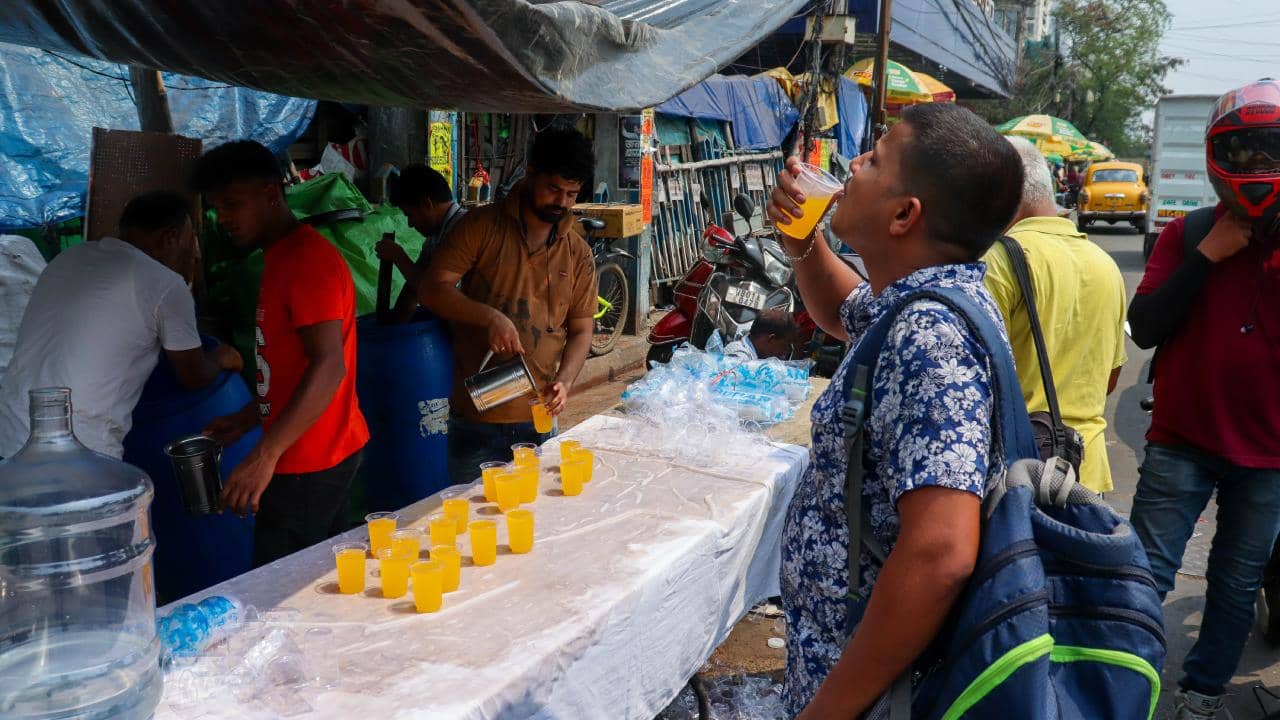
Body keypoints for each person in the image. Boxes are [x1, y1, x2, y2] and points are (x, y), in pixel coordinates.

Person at [765, 103, 1024, 717]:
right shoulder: (924, 298)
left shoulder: (931, 333)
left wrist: (828, 711)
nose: (853, 164)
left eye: (875, 159)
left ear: (906, 214)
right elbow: (841, 312)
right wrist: (801, 243)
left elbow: (941, 553)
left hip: (876, 695)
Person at [1127, 79, 1280, 720]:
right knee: (1140, 578)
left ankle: (1202, 696)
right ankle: (1116, 685)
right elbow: (1145, 326)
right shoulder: (1189, 234)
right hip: (1182, 441)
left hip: (1268, 456)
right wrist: (1208, 259)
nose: (1256, 169)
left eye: (1269, 153)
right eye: (1241, 153)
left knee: (1237, 586)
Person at [193, 140, 369, 567]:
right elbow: (295, 369)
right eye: (217, 208)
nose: (224, 219)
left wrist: (263, 455)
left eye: (233, 204)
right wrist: (248, 418)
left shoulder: (306, 261)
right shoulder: (279, 258)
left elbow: (329, 368)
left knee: (281, 592)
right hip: (306, 452)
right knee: (316, 580)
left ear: (272, 194)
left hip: (312, 460)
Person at [0, 191, 240, 459]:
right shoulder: (164, 283)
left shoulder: (70, 257)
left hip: (9, 431)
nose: (189, 256)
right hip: (78, 444)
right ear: (170, 238)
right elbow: (194, 376)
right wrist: (221, 358)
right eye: (188, 245)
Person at [419, 126, 597, 484]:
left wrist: (564, 380)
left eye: (571, 194)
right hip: (475, 423)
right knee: (472, 529)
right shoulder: (481, 226)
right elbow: (432, 289)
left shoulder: (578, 253)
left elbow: (581, 330)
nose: (561, 203)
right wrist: (489, 317)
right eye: (553, 189)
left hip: (539, 423)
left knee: (535, 525)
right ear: (530, 175)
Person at [982, 136, 1127, 493]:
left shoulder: (997, 262)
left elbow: (973, 375)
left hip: (1019, 474)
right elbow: (1109, 377)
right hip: (1085, 474)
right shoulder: (1106, 265)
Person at [376, 164, 467, 323]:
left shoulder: (464, 230)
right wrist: (393, 330)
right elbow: (414, 288)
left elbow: (434, 293)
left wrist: (398, 256)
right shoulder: (434, 238)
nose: (410, 224)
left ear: (427, 204)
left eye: (410, 215)